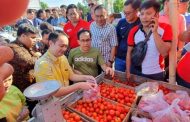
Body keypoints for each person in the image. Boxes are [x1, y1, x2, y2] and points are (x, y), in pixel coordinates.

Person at [34, 32, 96, 97]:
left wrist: (87, 77)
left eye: (66, 46)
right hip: (53, 103)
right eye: (61, 46)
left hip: (65, 98)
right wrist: (79, 85)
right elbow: (54, 92)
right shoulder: (42, 64)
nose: (64, 49)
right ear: (51, 43)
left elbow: (71, 75)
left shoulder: (62, 57)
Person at [126, 0, 173, 81]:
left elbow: (164, 53)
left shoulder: (166, 28)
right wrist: (128, 71)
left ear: (157, 15)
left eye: (148, 13)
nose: (144, 17)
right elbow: (129, 52)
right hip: (137, 72)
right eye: (142, 14)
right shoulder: (134, 31)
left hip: (156, 74)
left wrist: (154, 32)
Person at [0, 46, 29, 122]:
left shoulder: (14, 89)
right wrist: (19, 119)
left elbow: (24, 103)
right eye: (3, 81)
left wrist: (24, 109)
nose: (7, 84)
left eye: (9, 79)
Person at [8, 24, 39, 92]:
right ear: (23, 36)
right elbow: (30, 63)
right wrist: (37, 55)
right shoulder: (13, 47)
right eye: (33, 38)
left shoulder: (27, 45)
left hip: (32, 86)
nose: (35, 40)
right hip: (22, 89)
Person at [115, 0, 141, 72]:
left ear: (136, 11)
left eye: (128, 13)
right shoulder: (121, 22)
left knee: (133, 82)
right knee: (118, 79)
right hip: (120, 58)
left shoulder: (141, 23)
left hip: (134, 61)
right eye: (124, 13)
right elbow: (117, 39)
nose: (126, 15)